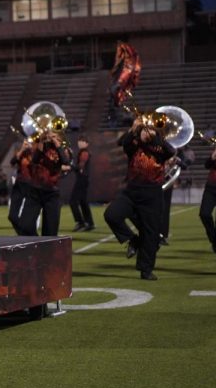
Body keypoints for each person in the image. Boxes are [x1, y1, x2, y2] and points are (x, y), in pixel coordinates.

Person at [103, 117, 175, 280]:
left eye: (147, 130)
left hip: (152, 195)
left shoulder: (160, 148)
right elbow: (124, 142)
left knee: (151, 233)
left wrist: (155, 136)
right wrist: (133, 129)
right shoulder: (133, 147)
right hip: (131, 191)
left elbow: (171, 151)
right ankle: (132, 240)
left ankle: (146, 269)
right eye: (143, 130)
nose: (144, 133)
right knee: (112, 215)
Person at [16, 132, 70, 236]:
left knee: (50, 232)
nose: (50, 136)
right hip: (35, 191)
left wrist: (56, 143)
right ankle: (36, 243)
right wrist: (41, 140)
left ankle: (44, 249)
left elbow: (65, 161)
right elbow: (35, 160)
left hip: (52, 194)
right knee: (24, 226)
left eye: (54, 134)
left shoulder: (62, 148)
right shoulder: (40, 145)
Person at [70, 137, 94, 231]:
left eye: (82, 141)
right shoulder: (82, 152)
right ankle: (89, 223)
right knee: (83, 202)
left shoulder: (84, 152)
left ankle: (80, 222)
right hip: (83, 179)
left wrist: (70, 166)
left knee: (73, 201)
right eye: (79, 141)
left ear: (87, 143)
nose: (80, 143)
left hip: (82, 179)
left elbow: (80, 166)